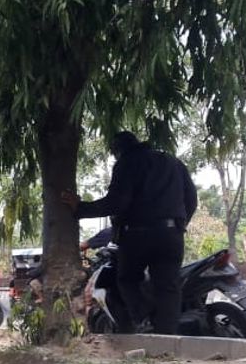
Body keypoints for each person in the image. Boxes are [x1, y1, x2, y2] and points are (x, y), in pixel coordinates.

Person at [63, 131, 197, 334]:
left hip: (137, 235)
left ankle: (143, 318)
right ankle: (168, 338)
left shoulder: (127, 163)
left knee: (127, 279)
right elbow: (191, 199)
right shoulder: (173, 163)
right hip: (172, 235)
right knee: (168, 287)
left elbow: (117, 202)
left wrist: (80, 208)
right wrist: (177, 225)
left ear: (118, 150)